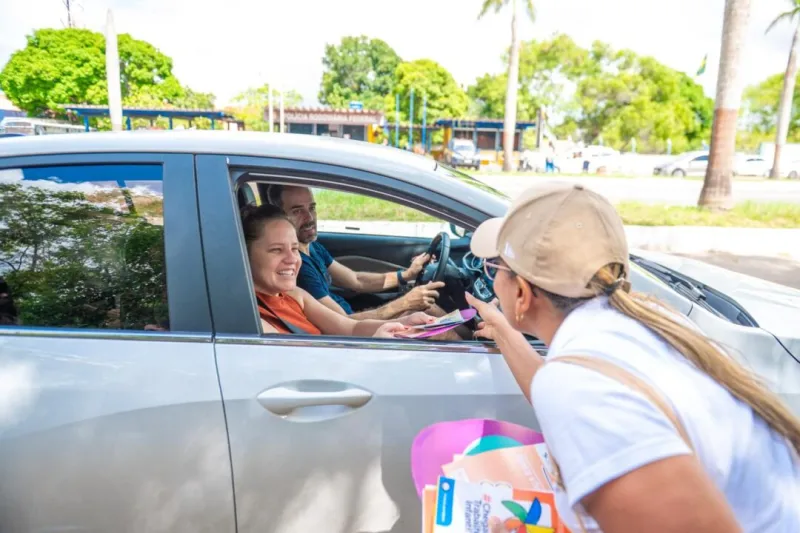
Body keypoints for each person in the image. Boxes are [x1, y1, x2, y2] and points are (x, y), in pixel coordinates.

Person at [465, 182, 800, 533]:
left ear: (521, 292)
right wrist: (504, 331)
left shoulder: (577, 386)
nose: (493, 277)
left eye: (495, 268)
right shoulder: (646, 320)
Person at [242, 203, 434, 338]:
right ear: (244, 254)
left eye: (294, 248)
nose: (292, 259)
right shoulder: (249, 315)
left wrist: (406, 323)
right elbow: (301, 365)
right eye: (276, 250)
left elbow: (350, 328)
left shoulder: (293, 294)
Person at [266, 184, 446, 320]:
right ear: (278, 217)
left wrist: (406, 275)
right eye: (297, 211)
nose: (310, 218)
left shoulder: (312, 247)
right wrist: (405, 303)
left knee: (428, 307)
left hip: (356, 318)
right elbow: (344, 322)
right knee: (434, 320)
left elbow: (355, 280)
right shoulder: (297, 267)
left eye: (312, 208)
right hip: (354, 330)